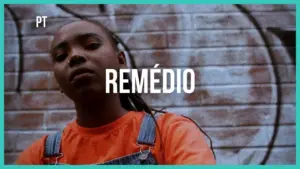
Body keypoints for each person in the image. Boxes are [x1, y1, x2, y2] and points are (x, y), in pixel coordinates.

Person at [15, 20, 216, 165]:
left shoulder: (171, 133)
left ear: (121, 61)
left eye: (92, 45)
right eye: (61, 56)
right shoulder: (38, 157)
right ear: (58, 81)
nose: (75, 56)